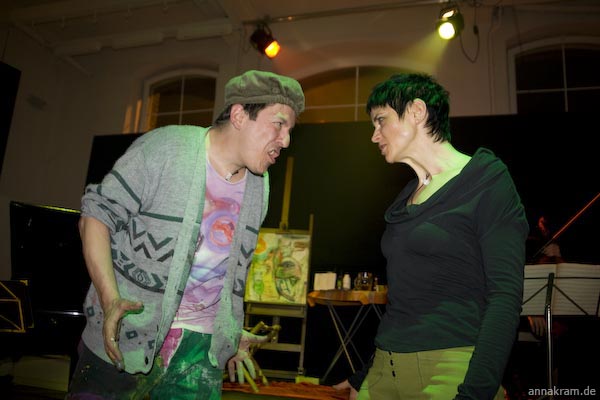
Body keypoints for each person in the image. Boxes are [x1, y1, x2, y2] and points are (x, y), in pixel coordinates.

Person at [66, 70, 305, 399]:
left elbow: (225, 272)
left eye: (290, 130)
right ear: (239, 115)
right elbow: (95, 217)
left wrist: (229, 331)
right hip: (129, 333)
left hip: (200, 350)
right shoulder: (165, 148)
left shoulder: (258, 184)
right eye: (279, 124)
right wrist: (110, 300)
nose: (286, 140)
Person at [333, 73, 528, 399]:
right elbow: (405, 301)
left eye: (380, 120)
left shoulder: (486, 180)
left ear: (417, 111)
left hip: (451, 369)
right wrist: (365, 376)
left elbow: (505, 296)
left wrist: (477, 391)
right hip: (383, 371)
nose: (374, 135)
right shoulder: (404, 199)